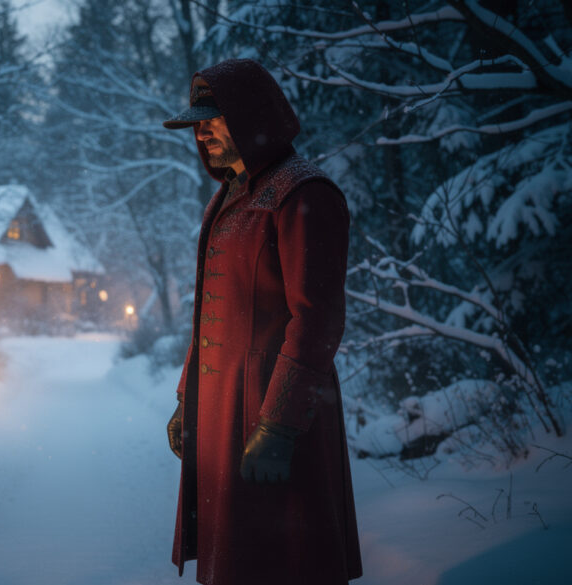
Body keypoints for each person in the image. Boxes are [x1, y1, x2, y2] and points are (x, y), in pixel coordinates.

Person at [162, 59, 363, 585]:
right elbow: (211, 311)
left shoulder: (303, 193)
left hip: (274, 411)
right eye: (198, 124)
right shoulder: (230, 195)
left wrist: (279, 424)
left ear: (251, 116)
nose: (201, 133)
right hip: (223, 410)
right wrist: (187, 399)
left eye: (213, 120)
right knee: (235, 557)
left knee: (286, 558)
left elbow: (316, 321)